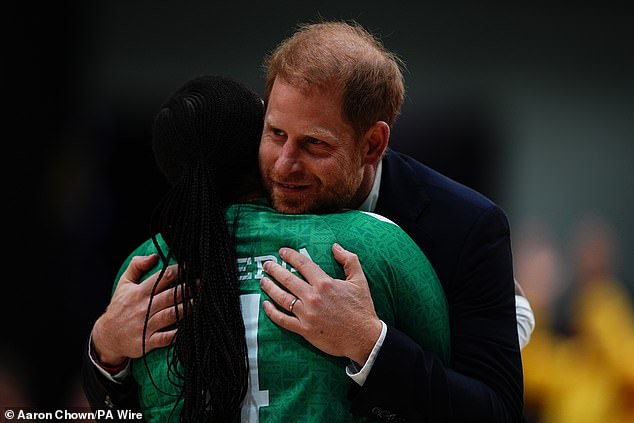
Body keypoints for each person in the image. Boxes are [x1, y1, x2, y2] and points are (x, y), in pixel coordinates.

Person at [84, 19, 530, 422]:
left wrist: (369, 343)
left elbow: (496, 412)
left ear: (373, 144)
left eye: (315, 145)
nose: (283, 166)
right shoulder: (232, 203)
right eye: (275, 133)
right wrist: (106, 348)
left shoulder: (465, 227)